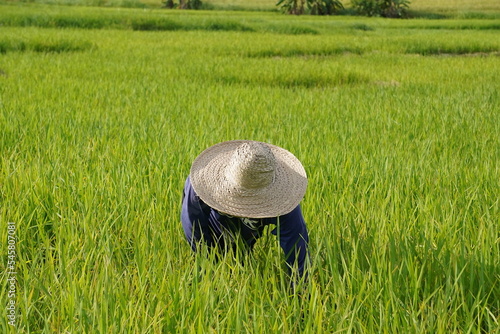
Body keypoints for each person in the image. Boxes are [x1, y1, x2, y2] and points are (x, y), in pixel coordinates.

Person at [180, 140, 309, 277]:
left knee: (242, 257)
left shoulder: (284, 199)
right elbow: (192, 224)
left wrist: (300, 291)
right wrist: (208, 263)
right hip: (214, 227)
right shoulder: (200, 185)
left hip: (251, 230)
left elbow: (296, 246)